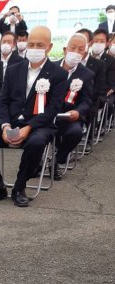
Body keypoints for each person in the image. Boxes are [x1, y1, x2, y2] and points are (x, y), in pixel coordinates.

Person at [0, 26, 67, 208]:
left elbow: (53, 108)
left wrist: (29, 127)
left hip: (40, 126)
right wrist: (5, 126)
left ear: (49, 47)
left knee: (36, 143)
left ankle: (19, 186)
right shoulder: (14, 69)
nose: (34, 48)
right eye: (31, 44)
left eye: (40, 45)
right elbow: (2, 101)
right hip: (12, 123)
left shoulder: (58, 74)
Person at [53, 33, 95, 179]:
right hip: (49, 114)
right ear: (65, 49)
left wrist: (78, 112)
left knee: (75, 133)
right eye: (73, 48)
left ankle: (58, 160)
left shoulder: (87, 74)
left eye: (80, 49)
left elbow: (87, 100)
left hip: (70, 116)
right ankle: (38, 161)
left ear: (84, 54)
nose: (76, 52)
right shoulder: (51, 67)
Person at [91, 28, 115, 95]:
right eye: (95, 40)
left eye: (102, 41)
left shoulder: (111, 61)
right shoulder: (85, 57)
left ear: (107, 43)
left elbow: (108, 84)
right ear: (91, 42)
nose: (98, 43)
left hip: (98, 97)